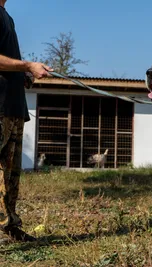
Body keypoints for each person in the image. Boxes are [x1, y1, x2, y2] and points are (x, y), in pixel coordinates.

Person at [0, 0, 53, 244]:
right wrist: (27, 64)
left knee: (10, 176)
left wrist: (23, 74)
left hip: (13, 107)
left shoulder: (6, 17)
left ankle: (8, 225)